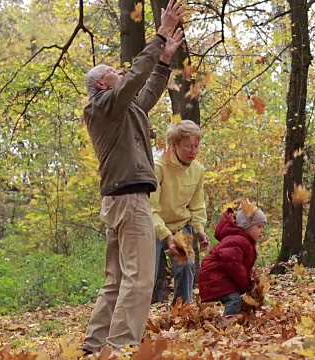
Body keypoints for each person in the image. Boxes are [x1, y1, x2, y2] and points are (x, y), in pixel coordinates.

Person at [79, 0, 185, 354]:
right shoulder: (102, 106)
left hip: (118, 200)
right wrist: (159, 37)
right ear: (101, 85)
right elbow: (136, 78)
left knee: (116, 281)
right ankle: (122, 346)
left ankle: (95, 346)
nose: (121, 73)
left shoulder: (119, 110)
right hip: (128, 200)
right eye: (114, 72)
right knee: (139, 280)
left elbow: (146, 93)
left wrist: (165, 59)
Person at [151, 120, 209, 307]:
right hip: (154, 227)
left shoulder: (197, 170)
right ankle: (138, 320)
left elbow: (197, 205)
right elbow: (149, 209)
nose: (193, 151)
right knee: (146, 275)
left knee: (186, 267)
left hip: (181, 226)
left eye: (196, 146)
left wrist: (199, 229)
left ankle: (182, 311)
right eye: (188, 146)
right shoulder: (158, 167)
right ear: (174, 145)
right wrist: (166, 237)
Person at [198, 205, 267, 316]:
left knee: (240, 299)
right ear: (246, 226)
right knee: (235, 300)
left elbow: (243, 267)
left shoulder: (244, 241)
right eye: (258, 227)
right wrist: (245, 285)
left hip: (222, 277)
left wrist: (250, 282)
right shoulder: (237, 241)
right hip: (214, 277)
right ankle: (226, 323)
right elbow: (233, 266)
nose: (261, 231)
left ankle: (237, 319)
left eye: (263, 227)